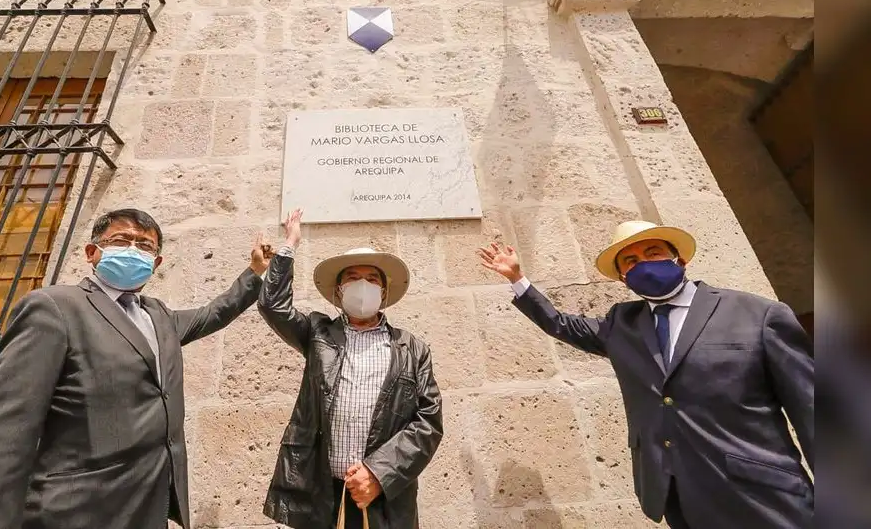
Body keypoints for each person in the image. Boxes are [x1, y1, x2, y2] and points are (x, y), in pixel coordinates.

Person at [0, 208, 269, 529]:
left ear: (156, 264)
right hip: (77, 511)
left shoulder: (159, 317)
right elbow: (2, 431)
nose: (133, 250)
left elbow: (212, 314)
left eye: (145, 246)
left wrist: (254, 272)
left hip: (147, 505)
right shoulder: (56, 307)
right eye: (121, 240)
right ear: (92, 252)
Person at [478, 220, 813, 529]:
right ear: (623, 277)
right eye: (631, 261)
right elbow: (560, 323)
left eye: (652, 253)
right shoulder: (621, 324)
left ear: (680, 260)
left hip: (763, 496)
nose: (642, 263)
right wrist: (517, 279)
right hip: (678, 495)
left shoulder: (757, 314)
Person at [258, 208, 443, 529]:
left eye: (372, 279)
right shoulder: (318, 334)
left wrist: (378, 472)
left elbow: (428, 422)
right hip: (322, 494)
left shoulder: (412, 349)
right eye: (353, 278)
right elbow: (273, 306)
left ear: (384, 293)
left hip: (383, 496)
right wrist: (289, 246)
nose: (363, 285)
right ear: (338, 291)